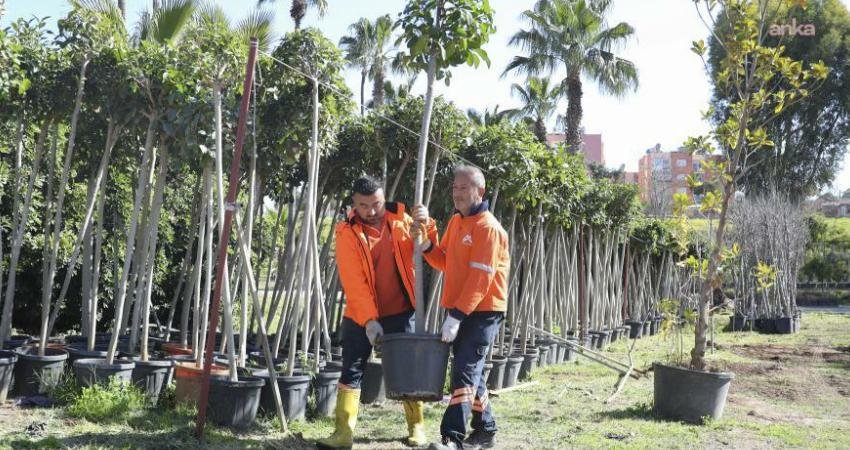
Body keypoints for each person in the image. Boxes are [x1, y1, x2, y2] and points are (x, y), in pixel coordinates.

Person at [317, 176, 426, 449]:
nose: (372, 210)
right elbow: (354, 282)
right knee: (351, 369)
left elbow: (428, 244)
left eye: (376, 203)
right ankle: (343, 431)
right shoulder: (347, 232)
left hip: (401, 311)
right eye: (364, 205)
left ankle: (417, 426)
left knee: (408, 371)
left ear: (383, 197)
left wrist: (425, 222)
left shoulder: (401, 219)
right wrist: (369, 320)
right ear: (354, 204)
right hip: (360, 315)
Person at [411, 165, 510, 450]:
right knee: (471, 372)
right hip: (460, 307)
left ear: (480, 191)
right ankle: (485, 429)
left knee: (464, 372)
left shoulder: (488, 228)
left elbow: (481, 279)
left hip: (484, 309)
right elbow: (445, 261)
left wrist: (456, 316)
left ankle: (451, 439)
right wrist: (428, 246)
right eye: (454, 187)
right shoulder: (456, 222)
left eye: (464, 188)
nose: (457, 193)